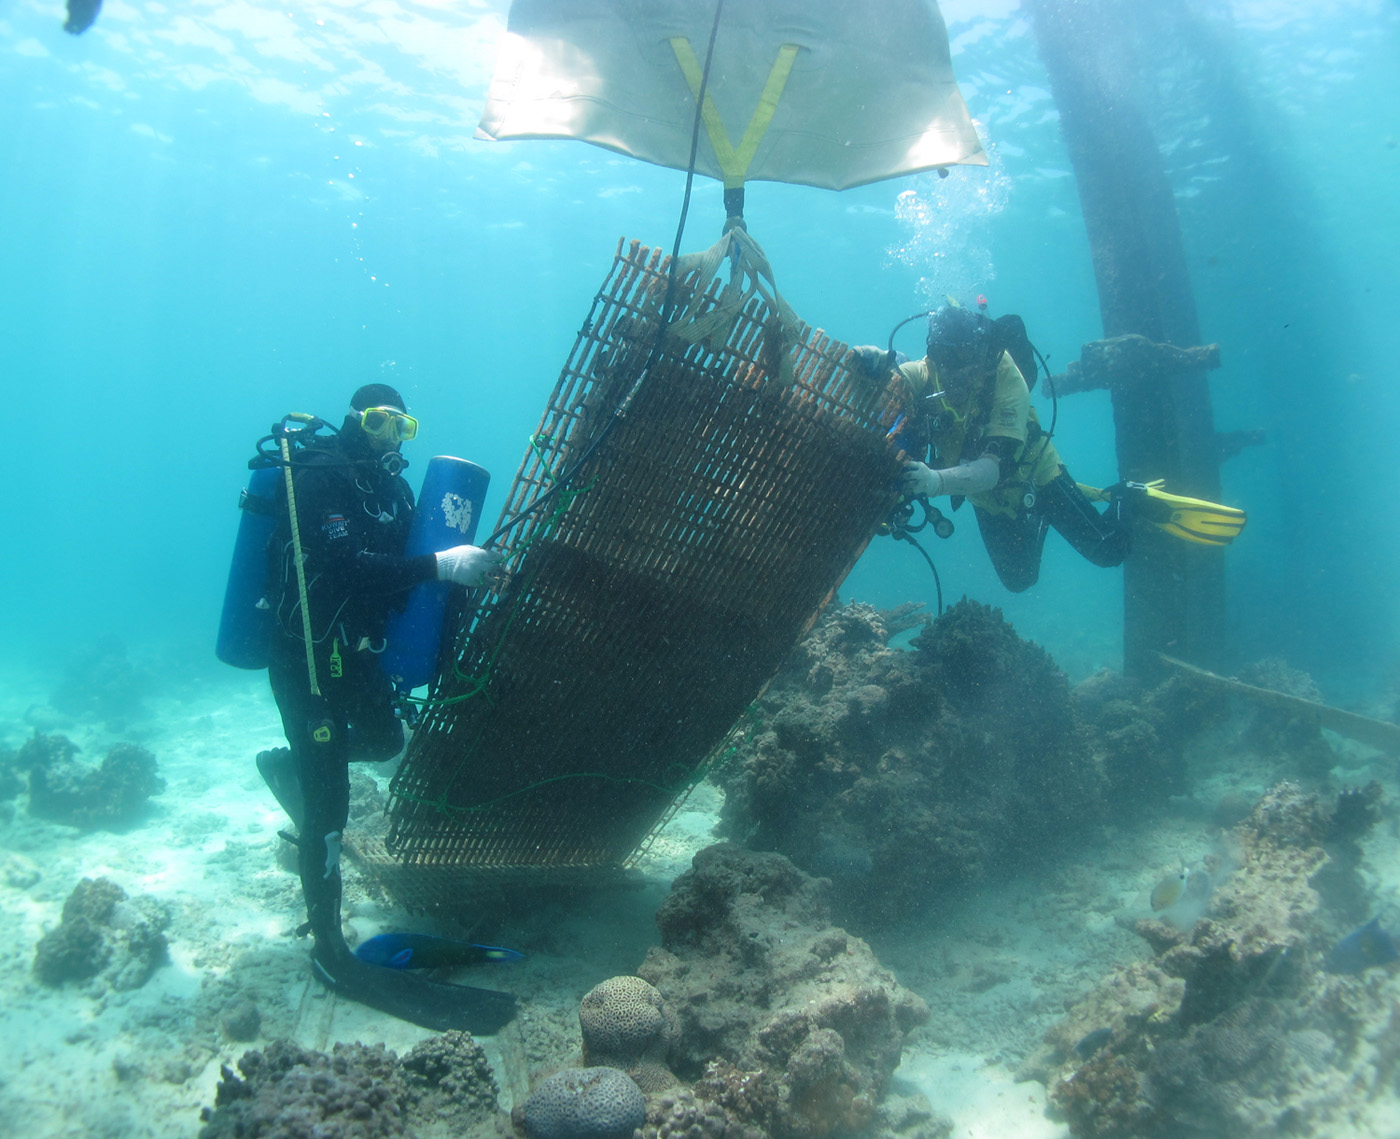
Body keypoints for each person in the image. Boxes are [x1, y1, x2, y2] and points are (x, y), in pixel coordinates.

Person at [255, 382, 513, 1031]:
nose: (389, 436)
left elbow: (407, 577)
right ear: (353, 420)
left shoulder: (394, 492)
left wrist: (466, 574)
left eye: (401, 426)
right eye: (377, 422)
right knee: (330, 807)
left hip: (356, 656)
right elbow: (346, 569)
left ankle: (294, 767)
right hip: (307, 658)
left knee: (383, 740)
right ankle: (328, 949)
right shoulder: (320, 476)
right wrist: (440, 565)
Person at [863, 303, 1243, 592]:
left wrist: (935, 482)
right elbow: (894, 375)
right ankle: (1037, 516)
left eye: (964, 359)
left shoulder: (1007, 379)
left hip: (1036, 477)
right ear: (934, 354)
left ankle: (1128, 496)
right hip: (982, 494)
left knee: (1108, 551)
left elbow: (993, 467)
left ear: (980, 353)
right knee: (1019, 580)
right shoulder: (929, 369)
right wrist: (876, 361)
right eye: (945, 359)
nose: (954, 372)